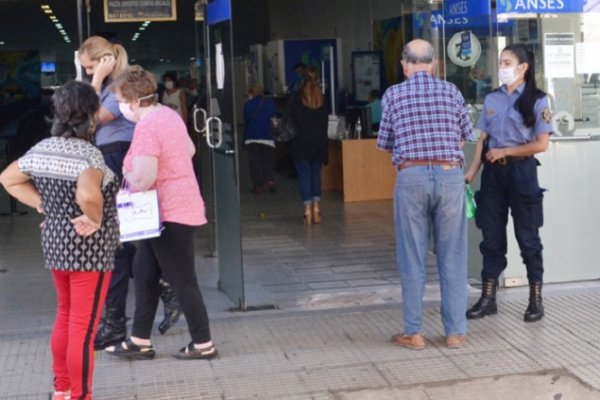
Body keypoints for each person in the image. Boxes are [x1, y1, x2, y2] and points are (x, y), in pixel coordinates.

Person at [0, 81, 119, 400]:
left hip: (55, 243)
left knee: (65, 314)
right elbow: (87, 192)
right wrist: (93, 217)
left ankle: (62, 388)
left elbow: (8, 178)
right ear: (92, 115)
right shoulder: (89, 155)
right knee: (84, 327)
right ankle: (81, 395)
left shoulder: (41, 148)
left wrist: (43, 205)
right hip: (89, 250)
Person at [106, 66, 217, 360]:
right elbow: (190, 150)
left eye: (120, 100)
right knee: (144, 273)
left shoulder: (148, 125)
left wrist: (126, 169)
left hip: (169, 213)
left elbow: (142, 177)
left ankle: (203, 343)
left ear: (132, 100)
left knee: (182, 280)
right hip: (169, 210)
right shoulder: (167, 114)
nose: (120, 107)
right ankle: (140, 339)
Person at [78, 37, 181, 349]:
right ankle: (165, 286)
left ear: (106, 60)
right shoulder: (110, 85)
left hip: (118, 158)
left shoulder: (119, 86)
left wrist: (95, 81)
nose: (88, 72)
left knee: (118, 244)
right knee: (119, 244)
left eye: (91, 66)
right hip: (110, 157)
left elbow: (91, 118)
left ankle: (120, 320)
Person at [376, 39, 475, 350]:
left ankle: (414, 332)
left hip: (412, 176)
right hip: (450, 177)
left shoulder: (393, 94)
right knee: (453, 255)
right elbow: (466, 137)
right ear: (434, 64)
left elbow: (385, 142)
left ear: (405, 65)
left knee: (412, 256)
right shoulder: (452, 92)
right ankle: (455, 332)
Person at [464, 44, 552, 323]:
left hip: (522, 174)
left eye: (507, 62)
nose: (502, 67)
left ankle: (535, 298)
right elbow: (482, 140)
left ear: (523, 67)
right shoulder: (492, 98)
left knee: (528, 238)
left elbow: (541, 145)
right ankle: (488, 297)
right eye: (500, 61)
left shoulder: (538, 100)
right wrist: (471, 171)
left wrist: (507, 151)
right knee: (490, 237)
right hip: (493, 176)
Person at [289, 66, 329, 225]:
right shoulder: (322, 98)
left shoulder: (297, 98)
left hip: (301, 142)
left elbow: (292, 120)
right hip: (319, 142)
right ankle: (317, 208)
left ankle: (307, 210)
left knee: (304, 176)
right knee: (316, 175)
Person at [243, 83, 277, 193]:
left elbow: (246, 121)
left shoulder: (248, 105)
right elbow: (274, 117)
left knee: (255, 163)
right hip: (268, 136)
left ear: (251, 93)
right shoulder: (270, 103)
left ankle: (257, 186)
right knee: (268, 161)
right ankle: (269, 180)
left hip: (252, 137)